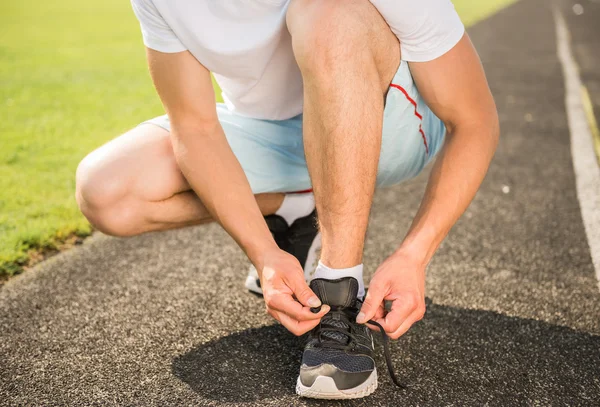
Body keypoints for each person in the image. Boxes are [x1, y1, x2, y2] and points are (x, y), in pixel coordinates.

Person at [75, 0, 499, 399]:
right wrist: (263, 253)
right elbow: (195, 127)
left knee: (326, 14)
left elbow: (475, 120)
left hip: (393, 126)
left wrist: (414, 255)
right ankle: (293, 205)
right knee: (107, 192)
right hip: (275, 134)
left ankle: (340, 291)